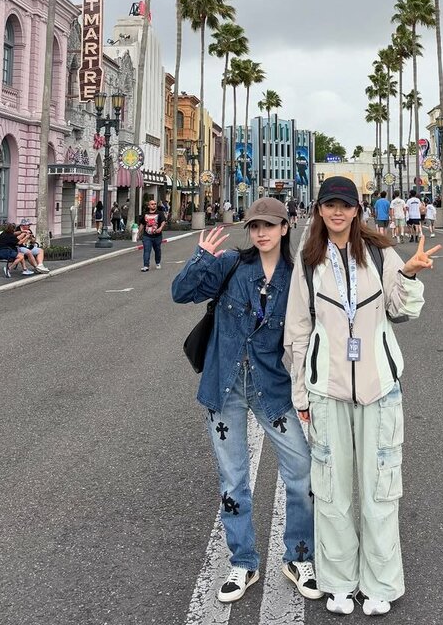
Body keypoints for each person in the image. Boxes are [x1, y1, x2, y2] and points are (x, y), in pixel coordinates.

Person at [284, 176, 440, 617]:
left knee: (380, 490)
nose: (337, 212)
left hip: (379, 389)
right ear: (319, 210)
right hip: (327, 389)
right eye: (330, 204)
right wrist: (301, 392)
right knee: (332, 490)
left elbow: (402, 309)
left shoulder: (379, 252)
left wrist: (409, 274)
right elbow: (297, 329)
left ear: (357, 210)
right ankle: (338, 582)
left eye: (345, 205)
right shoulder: (308, 259)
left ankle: (380, 583)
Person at [172, 198, 321, 605]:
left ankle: (299, 556)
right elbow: (180, 293)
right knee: (233, 480)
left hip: (271, 388)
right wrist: (201, 259)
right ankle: (243, 562)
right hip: (224, 388)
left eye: (269, 225)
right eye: (255, 226)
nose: (261, 233)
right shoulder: (230, 265)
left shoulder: (297, 278)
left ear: (285, 228)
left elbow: (312, 331)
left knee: (302, 472)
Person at [139, 198, 166, 271]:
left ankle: (158, 262)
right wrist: (138, 233)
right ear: (149, 206)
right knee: (146, 250)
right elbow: (142, 224)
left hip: (157, 236)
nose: (154, 205)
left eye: (155, 204)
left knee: (157, 250)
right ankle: (146, 266)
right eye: (152, 204)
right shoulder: (145, 214)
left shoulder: (160, 213)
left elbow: (163, 221)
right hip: (147, 236)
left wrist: (160, 228)